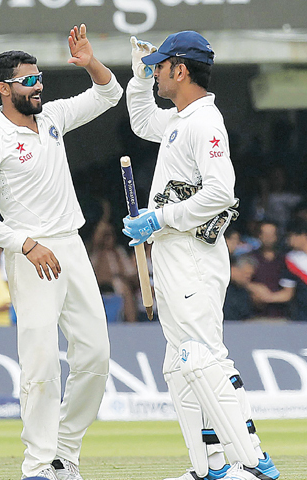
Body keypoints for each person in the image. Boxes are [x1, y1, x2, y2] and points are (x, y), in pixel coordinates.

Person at [0, 25, 120, 480]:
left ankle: (64, 452)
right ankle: (37, 465)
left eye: (39, 78)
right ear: (3, 88)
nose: (38, 87)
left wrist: (90, 62)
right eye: (28, 81)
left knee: (96, 356)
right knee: (41, 362)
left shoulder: (52, 118)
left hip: (71, 245)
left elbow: (109, 94)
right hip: (31, 256)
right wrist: (25, 244)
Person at [124, 30, 279, 480]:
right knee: (179, 363)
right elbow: (141, 121)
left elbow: (220, 193)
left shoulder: (204, 123)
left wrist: (159, 218)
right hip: (173, 252)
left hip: (192, 252)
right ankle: (209, 467)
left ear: (180, 70)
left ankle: (253, 463)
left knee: (202, 356)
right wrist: (138, 77)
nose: (156, 73)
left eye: (159, 66)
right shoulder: (180, 119)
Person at [248, 220, 288, 318]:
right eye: (265, 234)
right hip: (253, 316)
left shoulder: (285, 260)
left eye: (271, 234)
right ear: (259, 235)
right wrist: (254, 288)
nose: (268, 237)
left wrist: (268, 297)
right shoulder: (250, 258)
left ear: (277, 236)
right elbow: (241, 280)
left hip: (281, 316)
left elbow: (290, 289)